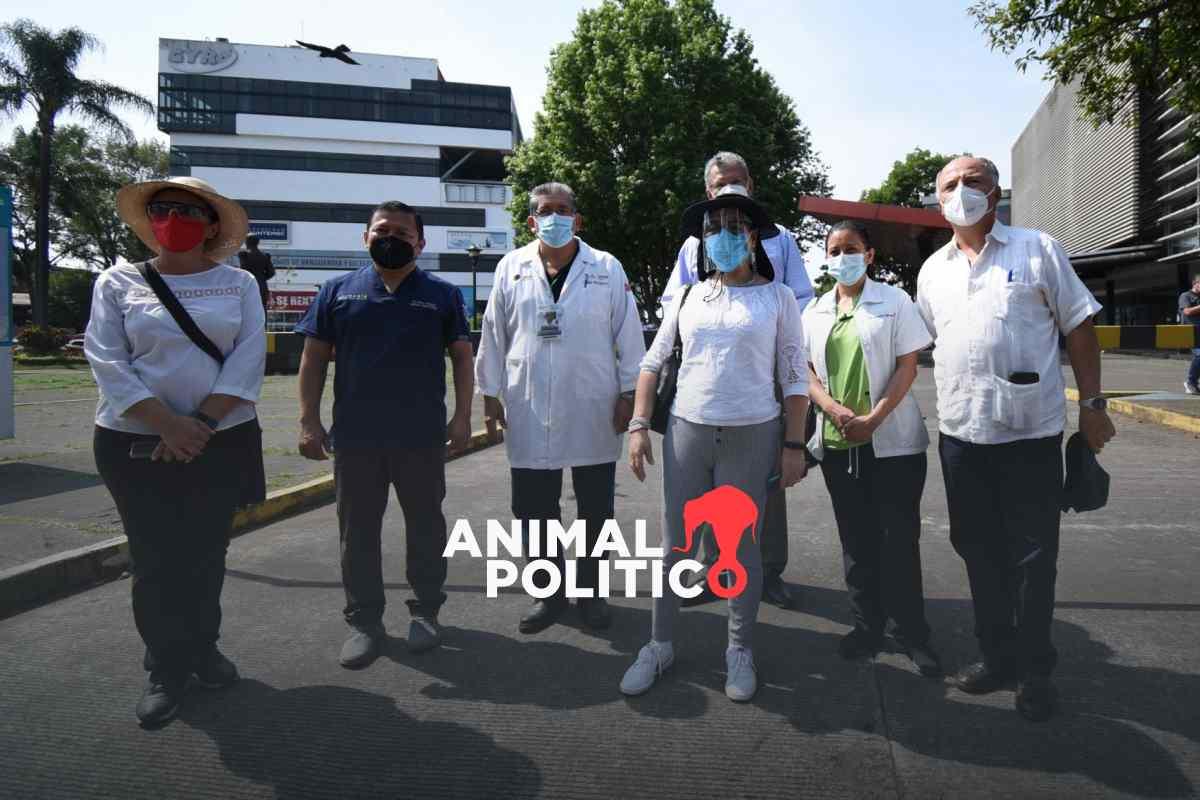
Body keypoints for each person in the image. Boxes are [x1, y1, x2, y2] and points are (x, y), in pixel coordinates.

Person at [916, 156, 1116, 722]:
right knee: (977, 551)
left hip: (1030, 436)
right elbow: (917, 348)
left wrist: (1094, 407)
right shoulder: (932, 272)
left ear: (996, 191)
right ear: (937, 202)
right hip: (961, 435)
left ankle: (1035, 670)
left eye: (972, 181)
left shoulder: (1037, 249)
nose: (961, 192)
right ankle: (996, 656)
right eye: (949, 185)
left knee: (1032, 558)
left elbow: (1079, 327)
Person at [86, 176, 266, 727]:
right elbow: (106, 358)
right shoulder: (117, 282)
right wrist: (167, 425)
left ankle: (201, 647)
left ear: (212, 225)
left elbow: (248, 358)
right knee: (155, 559)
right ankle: (166, 665)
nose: (174, 218)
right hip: (132, 439)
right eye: (162, 209)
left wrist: (200, 426)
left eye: (188, 211)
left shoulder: (238, 284)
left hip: (219, 437)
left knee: (207, 553)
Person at [621, 184, 810, 702]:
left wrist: (793, 446)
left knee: (740, 549)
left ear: (753, 238)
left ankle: (739, 648)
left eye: (733, 227)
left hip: (753, 434)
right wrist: (638, 427)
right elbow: (652, 363)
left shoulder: (777, 298)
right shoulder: (686, 297)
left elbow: (795, 376)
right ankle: (659, 645)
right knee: (675, 547)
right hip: (688, 430)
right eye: (712, 229)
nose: (721, 237)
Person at [294, 200, 474, 669]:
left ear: (421, 241)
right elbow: (312, 359)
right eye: (381, 229)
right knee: (357, 533)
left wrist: (462, 417)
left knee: (426, 526)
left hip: (420, 436)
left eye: (402, 231)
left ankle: (427, 612)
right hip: (355, 438)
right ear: (365, 237)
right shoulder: (337, 291)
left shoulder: (442, 294)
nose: (390, 237)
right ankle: (364, 621)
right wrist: (308, 420)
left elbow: (461, 358)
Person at [475, 182, 646, 634]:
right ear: (531, 222)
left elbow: (629, 336)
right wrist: (489, 393)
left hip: (593, 405)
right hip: (529, 404)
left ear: (578, 219)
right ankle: (548, 595)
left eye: (563, 210)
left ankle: (590, 595)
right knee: (534, 511)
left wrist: (630, 394)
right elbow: (493, 332)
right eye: (545, 211)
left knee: (595, 512)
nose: (554, 217)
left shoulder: (607, 268)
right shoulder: (510, 267)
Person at [660, 151, 813, 609]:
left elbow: (801, 296)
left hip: (762, 370)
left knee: (765, 477)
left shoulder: (779, 239)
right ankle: (714, 569)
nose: (730, 188)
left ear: (751, 184)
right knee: (707, 484)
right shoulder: (695, 244)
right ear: (708, 192)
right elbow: (675, 300)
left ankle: (768, 570)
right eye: (721, 183)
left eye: (737, 180)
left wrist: (774, 334)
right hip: (707, 377)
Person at [802, 220, 940, 676]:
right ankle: (867, 627)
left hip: (894, 444)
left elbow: (907, 366)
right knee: (856, 541)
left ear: (870, 256)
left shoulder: (895, 302)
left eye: (852, 249)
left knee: (899, 541)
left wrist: (875, 418)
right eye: (835, 250)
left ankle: (912, 633)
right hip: (840, 443)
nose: (843, 257)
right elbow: (805, 372)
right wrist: (833, 410)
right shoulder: (816, 311)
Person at [237, 234, 275, 311]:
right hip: (262, 286)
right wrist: (262, 277)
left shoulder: (244, 255)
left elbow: (243, 270)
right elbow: (271, 273)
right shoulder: (265, 256)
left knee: (248, 310)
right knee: (262, 311)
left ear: (247, 243)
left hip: (248, 286)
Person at [1179, 274, 1200, 394]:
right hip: (1191, 333)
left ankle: (1193, 383)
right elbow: (1187, 311)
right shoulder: (1185, 296)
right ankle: (1190, 382)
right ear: (1195, 283)